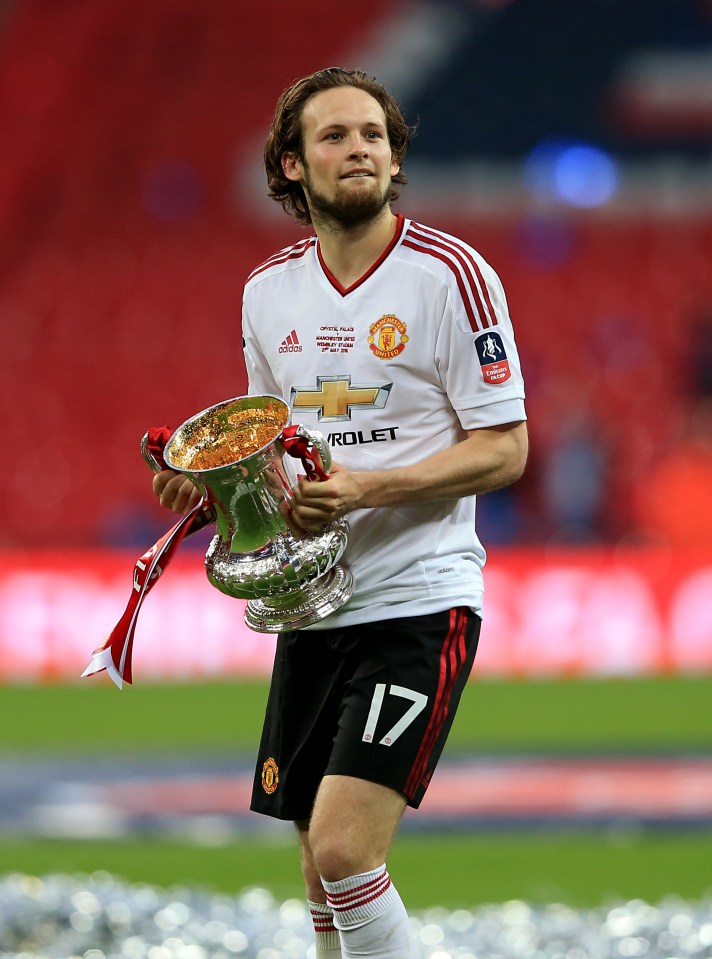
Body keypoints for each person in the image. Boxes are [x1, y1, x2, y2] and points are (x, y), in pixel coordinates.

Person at [153, 67, 528, 959]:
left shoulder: (452, 277)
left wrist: (365, 488)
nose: (359, 148)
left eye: (374, 135)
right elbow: (270, 448)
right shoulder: (267, 292)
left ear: (395, 158)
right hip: (315, 602)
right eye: (335, 136)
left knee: (345, 850)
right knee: (320, 879)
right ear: (290, 166)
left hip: (417, 599)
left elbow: (506, 449)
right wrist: (212, 483)